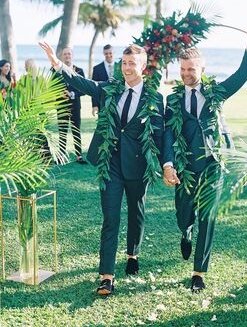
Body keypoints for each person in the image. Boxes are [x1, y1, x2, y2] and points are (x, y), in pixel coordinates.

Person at [38, 41, 164, 296]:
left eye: (132, 64)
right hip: (111, 164)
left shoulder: (155, 98)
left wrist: (167, 165)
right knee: (110, 218)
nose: (127, 68)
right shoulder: (110, 89)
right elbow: (85, 84)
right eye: (124, 63)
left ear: (143, 67)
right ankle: (106, 276)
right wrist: (57, 64)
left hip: (138, 166)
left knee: (135, 212)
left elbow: (160, 135)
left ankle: (132, 253)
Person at [163, 14, 247, 293]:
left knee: (208, 215)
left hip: (212, 164)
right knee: (185, 214)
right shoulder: (172, 100)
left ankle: (198, 272)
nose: (186, 74)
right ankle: (186, 230)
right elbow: (169, 134)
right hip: (184, 167)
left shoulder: (215, 92)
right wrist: (169, 164)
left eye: (191, 69)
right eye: (182, 69)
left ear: (202, 68)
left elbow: (241, 76)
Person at [56, 47, 87, 164]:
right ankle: (61, 156)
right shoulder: (55, 71)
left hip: (75, 105)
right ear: (62, 57)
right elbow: (51, 88)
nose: (67, 56)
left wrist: (72, 94)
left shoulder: (80, 71)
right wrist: (59, 93)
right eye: (65, 54)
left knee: (76, 130)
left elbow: (84, 90)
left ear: (72, 55)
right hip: (61, 106)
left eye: (69, 54)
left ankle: (79, 156)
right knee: (62, 131)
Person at [91, 44, 115, 116]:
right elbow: (93, 88)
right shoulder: (97, 68)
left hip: (118, 102)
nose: (108, 55)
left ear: (114, 52)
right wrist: (94, 105)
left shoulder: (120, 67)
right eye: (106, 53)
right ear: (103, 54)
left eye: (110, 53)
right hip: (102, 102)